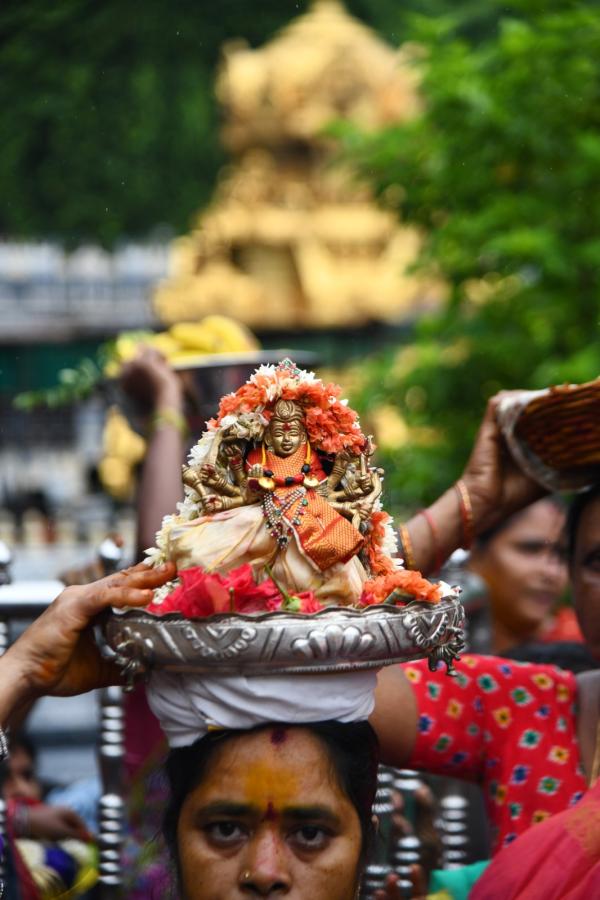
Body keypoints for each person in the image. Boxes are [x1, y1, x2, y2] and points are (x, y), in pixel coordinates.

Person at [467, 496, 579, 652]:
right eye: (530, 549)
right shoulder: (437, 638)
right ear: (475, 555)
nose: (552, 572)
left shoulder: (585, 643)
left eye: (562, 555)